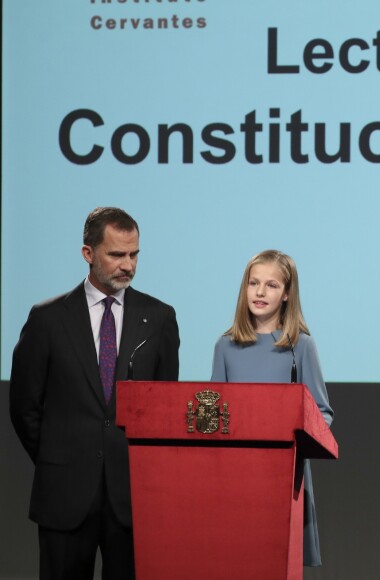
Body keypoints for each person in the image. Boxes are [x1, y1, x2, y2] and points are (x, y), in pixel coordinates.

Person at [9, 207, 180, 580]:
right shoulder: (47, 319)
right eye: (116, 254)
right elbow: (24, 407)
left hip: (132, 498)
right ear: (88, 253)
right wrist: (62, 458)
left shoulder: (160, 317)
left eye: (134, 254)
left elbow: (164, 409)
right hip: (65, 495)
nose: (128, 265)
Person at [211, 249, 333, 567]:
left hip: (283, 477)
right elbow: (212, 416)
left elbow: (322, 412)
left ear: (287, 294)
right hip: (236, 480)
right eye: (254, 283)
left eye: (271, 285)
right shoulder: (225, 346)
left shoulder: (301, 346)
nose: (260, 292)